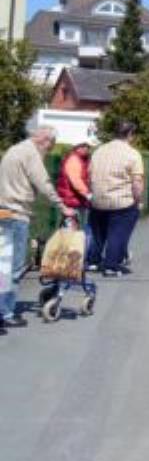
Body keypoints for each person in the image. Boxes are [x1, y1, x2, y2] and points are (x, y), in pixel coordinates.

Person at [0, 126, 72, 330]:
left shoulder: (14, 150)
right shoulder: (31, 154)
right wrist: (63, 207)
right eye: (50, 146)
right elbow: (44, 184)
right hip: (16, 214)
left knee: (2, 264)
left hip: (2, 211)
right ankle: (6, 313)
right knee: (13, 268)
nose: (48, 151)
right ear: (45, 140)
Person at [88, 122, 145, 278]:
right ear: (130, 134)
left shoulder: (99, 151)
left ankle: (93, 261)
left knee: (98, 232)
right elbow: (137, 182)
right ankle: (111, 266)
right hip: (121, 201)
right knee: (118, 233)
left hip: (98, 200)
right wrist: (138, 201)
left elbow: (90, 173)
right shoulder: (133, 154)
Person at [56, 141, 95, 265]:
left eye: (88, 146)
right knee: (73, 231)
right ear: (77, 147)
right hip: (72, 200)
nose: (86, 149)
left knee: (77, 231)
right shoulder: (74, 160)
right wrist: (87, 194)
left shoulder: (82, 159)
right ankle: (73, 260)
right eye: (83, 146)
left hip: (77, 200)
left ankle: (77, 258)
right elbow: (75, 180)